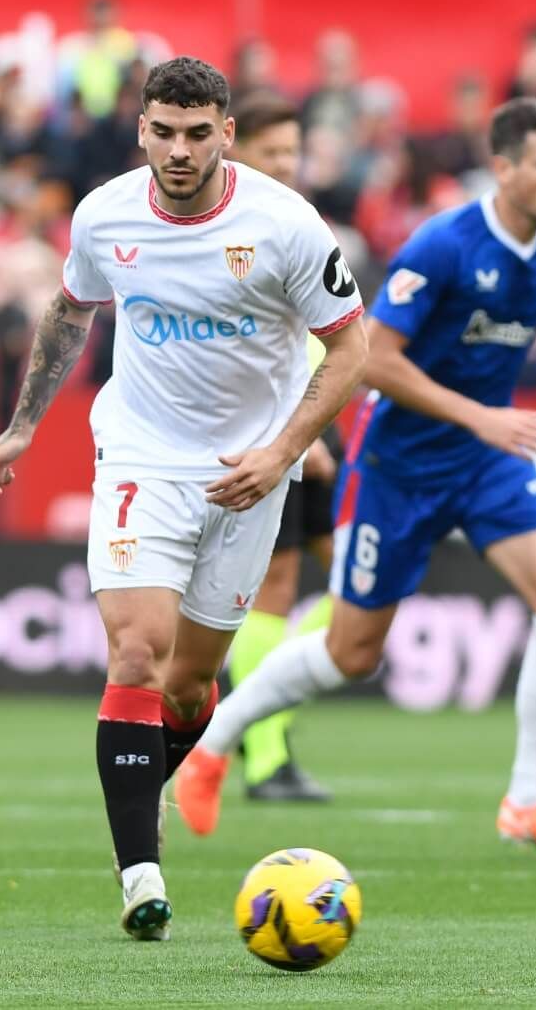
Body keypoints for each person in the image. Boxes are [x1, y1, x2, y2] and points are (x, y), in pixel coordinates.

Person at [174, 98, 536, 865]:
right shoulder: (443, 245)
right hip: (398, 464)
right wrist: (481, 417)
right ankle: (215, 745)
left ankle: (528, 801)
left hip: (485, 456)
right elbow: (373, 356)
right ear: (503, 168)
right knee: (351, 652)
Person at [0, 57, 368, 940]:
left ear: (226, 132)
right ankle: (139, 874)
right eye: (164, 132)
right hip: (141, 455)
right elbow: (72, 314)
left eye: (198, 134)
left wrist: (282, 452)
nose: (180, 151)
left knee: (191, 689)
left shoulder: (286, 225)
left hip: (247, 471)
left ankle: (164, 775)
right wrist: (25, 425)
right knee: (139, 654)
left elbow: (351, 349)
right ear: (141, 130)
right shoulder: (104, 214)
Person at [220, 91, 337, 804]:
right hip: (274, 431)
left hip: (323, 417)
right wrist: (296, 438)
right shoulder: (234, 228)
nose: (288, 164)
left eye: (294, 151)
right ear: (236, 151)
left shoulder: (300, 221)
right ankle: (266, 758)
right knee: (278, 588)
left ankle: (250, 725)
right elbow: (243, 348)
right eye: (274, 152)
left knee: (365, 584)